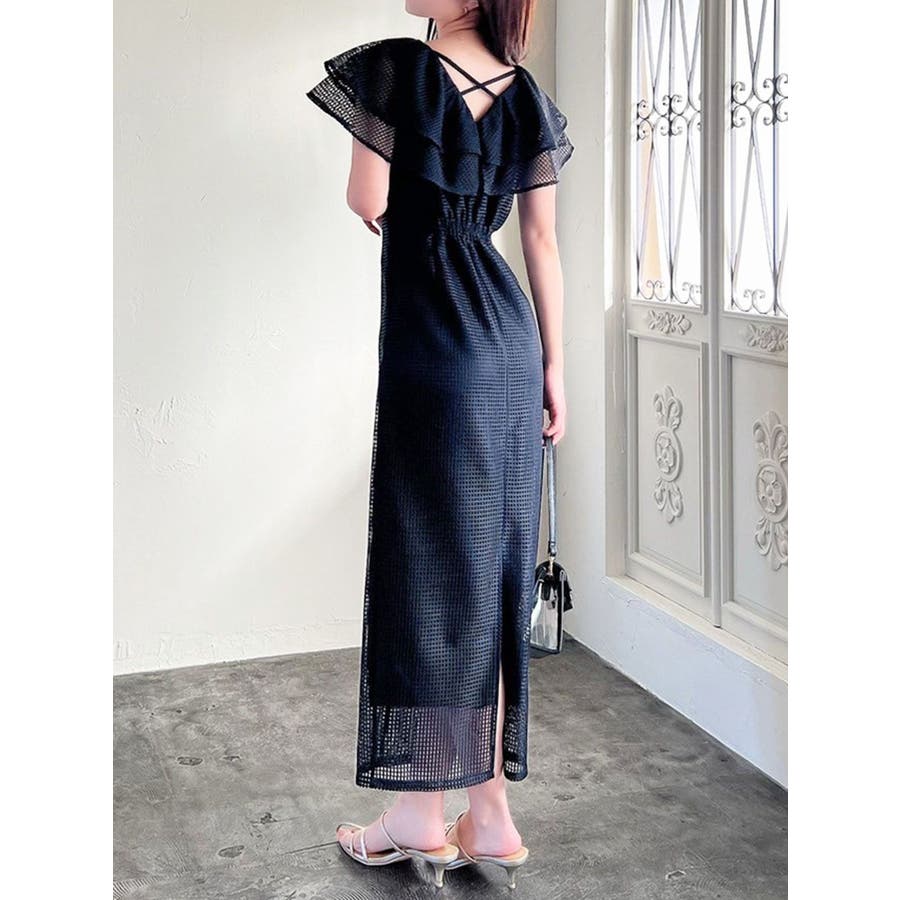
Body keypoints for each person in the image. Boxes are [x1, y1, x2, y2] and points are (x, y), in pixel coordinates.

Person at [306, 0, 573, 888]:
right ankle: (488, 814)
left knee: (425, 571)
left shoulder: (395, 68)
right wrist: (555, 371)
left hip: (436, 353)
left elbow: (367, 199)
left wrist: (411, 207)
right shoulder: (527, 97)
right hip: (511, 347)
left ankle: (420, 812)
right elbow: (541, 241)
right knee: (492, 577)